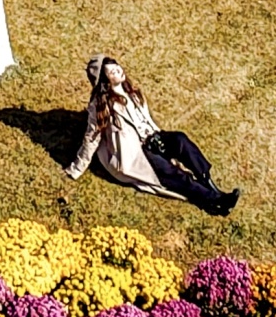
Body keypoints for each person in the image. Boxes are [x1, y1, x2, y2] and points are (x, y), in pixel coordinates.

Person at [63, 54, 240, 216]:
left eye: (117, 67)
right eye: (112, 72)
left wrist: (158, 135)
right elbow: (91, 138)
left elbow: (146, 118)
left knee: (180, 140)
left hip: (153, 139)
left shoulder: (131, 90)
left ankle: (209, 183)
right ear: (104, 80)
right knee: (173, 174)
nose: (118, 71)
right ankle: (214, 200)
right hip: (136, 153)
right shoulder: (100, 105)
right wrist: (77, 168)